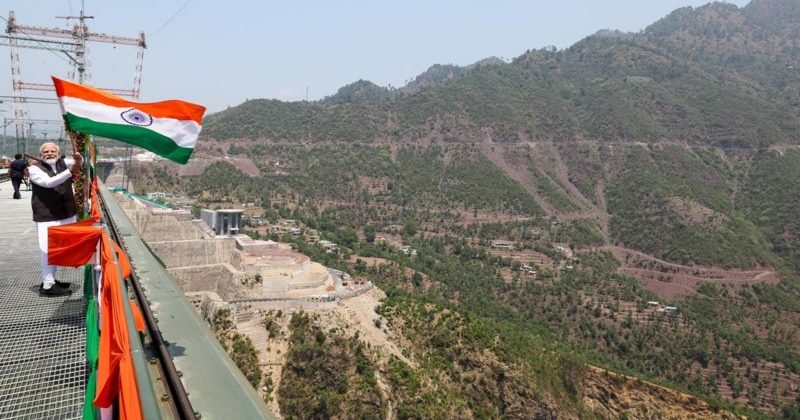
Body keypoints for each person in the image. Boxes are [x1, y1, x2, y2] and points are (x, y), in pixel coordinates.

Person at [28, 142, 82, 297]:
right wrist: (71, 171)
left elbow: (82, 161)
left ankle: (51, 279)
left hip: (65, 213)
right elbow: (49, 183)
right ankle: (47, 286)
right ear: (41, 154)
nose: (49, 153)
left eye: (53, 151)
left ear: (58, 153)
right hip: (47, 217)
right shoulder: (34, 169)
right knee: (46, 250)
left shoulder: (63, 163)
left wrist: (79, 158)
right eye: (46, 151)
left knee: (57, 250)